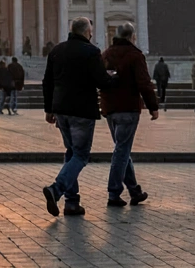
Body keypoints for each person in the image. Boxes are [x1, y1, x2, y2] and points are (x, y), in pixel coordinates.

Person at [41, 18, 118, 218]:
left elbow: (47, 81)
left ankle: (72, 203)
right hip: (82, 111)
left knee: (71, 153)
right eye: (90, 31)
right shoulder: (91, 52)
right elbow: (102, 82)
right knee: (81, 155)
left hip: (61, 110)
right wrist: (114, 77)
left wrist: (49, 109)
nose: (92, 34)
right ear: (85, 32)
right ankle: (56, 189)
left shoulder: (57, 50)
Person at [99, 22, 158, 207]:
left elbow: (101, 80)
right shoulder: (135, 55)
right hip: (128, 108)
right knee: (121, 151)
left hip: (110, 109)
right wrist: (153, 106)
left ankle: (134, 191)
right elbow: (144, 83)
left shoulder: (106, 54)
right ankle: (113, 192)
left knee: (122, 149)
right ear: (132, 37)